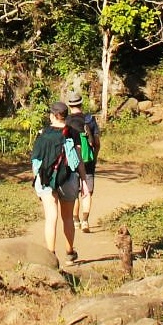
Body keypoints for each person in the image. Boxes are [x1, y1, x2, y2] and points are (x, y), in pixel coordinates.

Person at [31, 100, 83, 265]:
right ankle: (69, 253)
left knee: (51, 217)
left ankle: (50, 256)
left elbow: (36, 162)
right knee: (67, 217)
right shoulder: (72, 132)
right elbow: (78, 159)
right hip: (68, 178)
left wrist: (38, 180)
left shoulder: (42, 134)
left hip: (46, 179)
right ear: (65, 117)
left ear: (53, 116)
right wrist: (84, 181)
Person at [68, 94, 102, 232]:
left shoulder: (66, 121)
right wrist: (94, 156)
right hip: (88, 160)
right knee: (87, 191)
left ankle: (75, 220)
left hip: (72, 160)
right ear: (81, 104)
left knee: (74, 192)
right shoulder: (89, 119)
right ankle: (85, 221)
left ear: (70, 106)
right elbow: (97, 142)